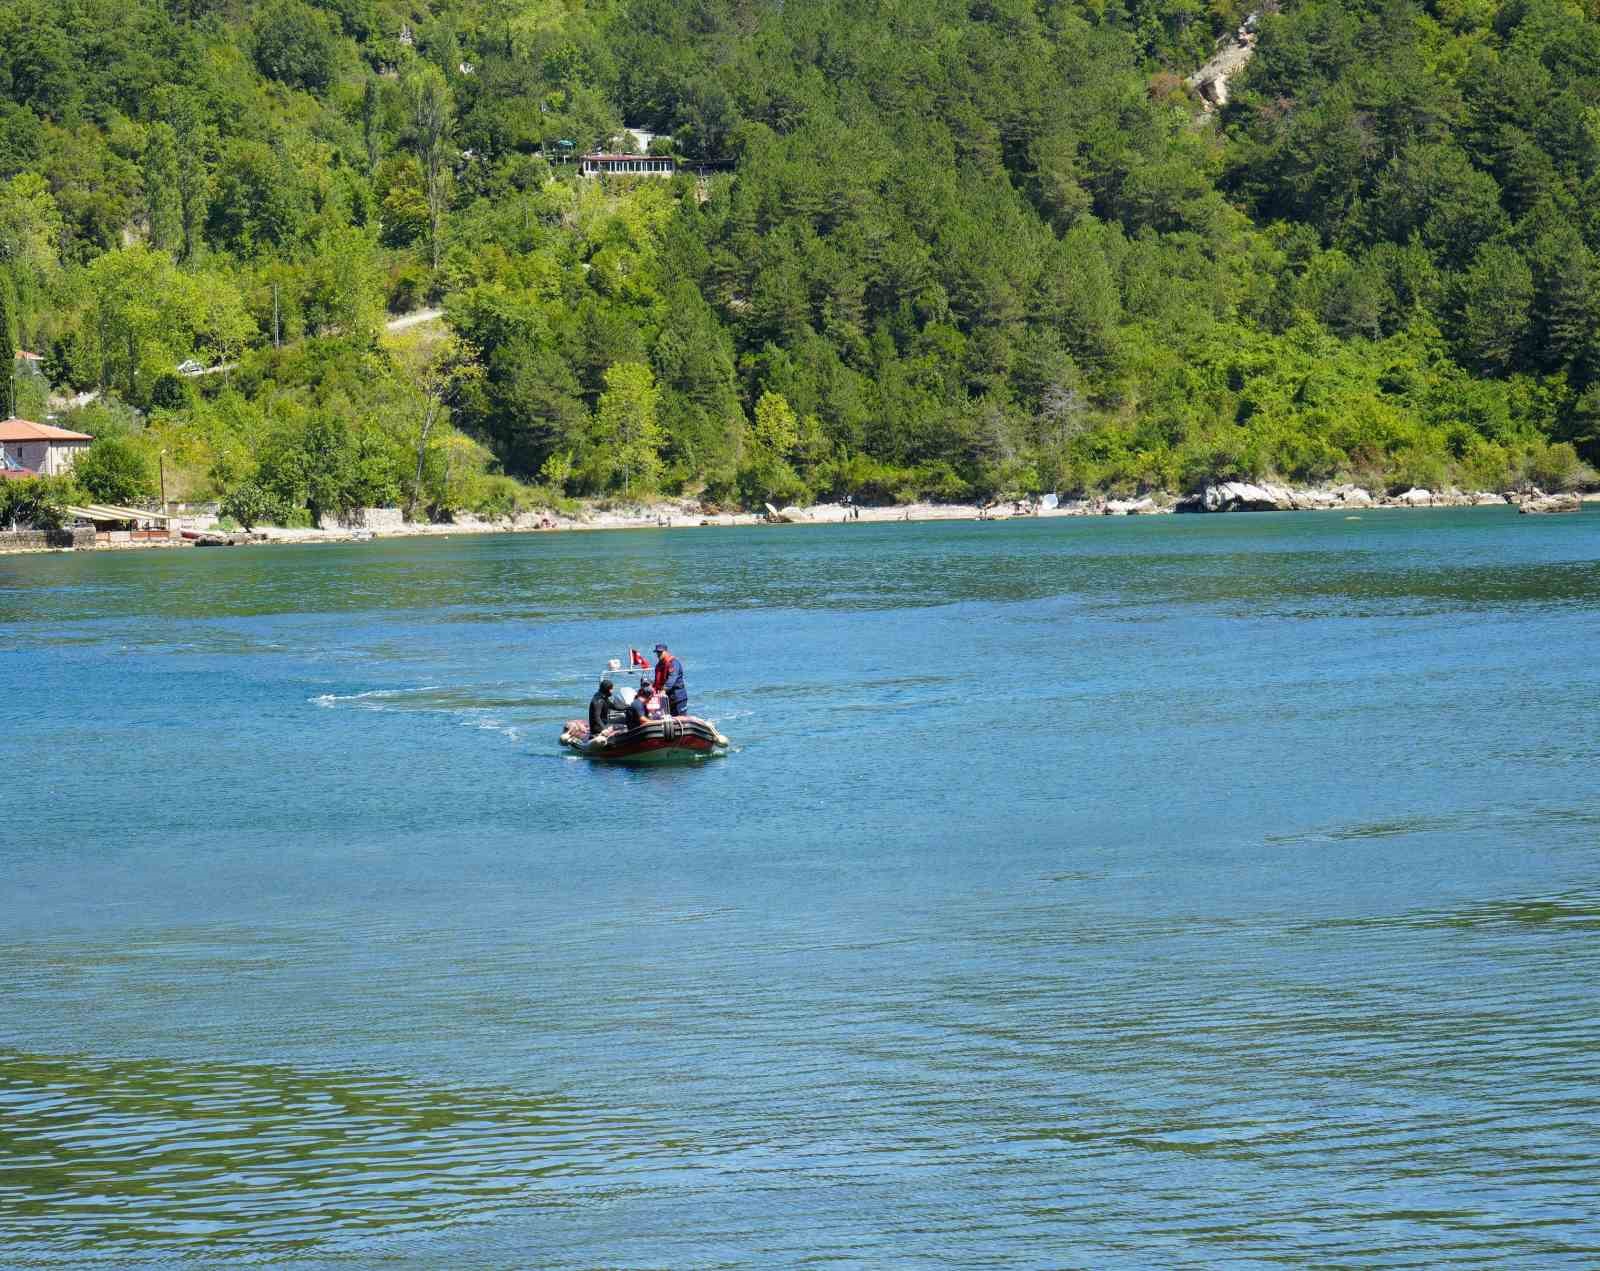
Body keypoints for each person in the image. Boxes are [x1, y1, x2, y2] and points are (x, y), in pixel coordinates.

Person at [652, 642, 688, 716]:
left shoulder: (674, 663)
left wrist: (663, 690)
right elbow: (657, 682)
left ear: (666, 651)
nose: (658, 654)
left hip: (678, 697)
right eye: (657, 652)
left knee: (681, 717)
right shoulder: (659, 665)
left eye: (660, 652)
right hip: (666, 699)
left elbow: (672, 678)